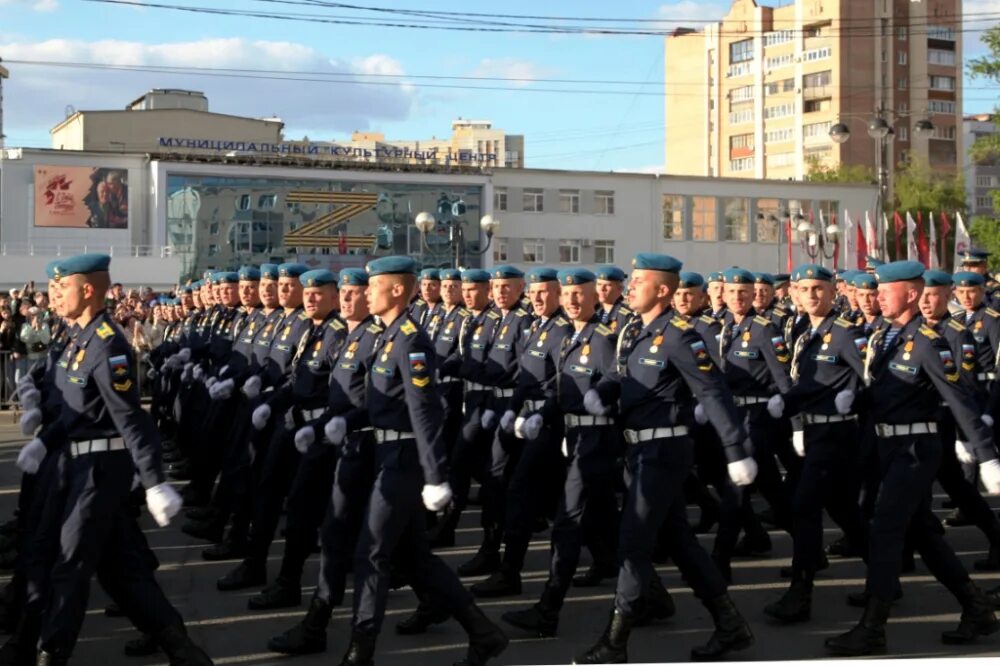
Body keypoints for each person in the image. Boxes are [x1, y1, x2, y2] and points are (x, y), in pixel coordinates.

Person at [17, 253, 212, 665]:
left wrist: (155, 480)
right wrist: (45, 437)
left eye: (62, 286)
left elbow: (131, 417)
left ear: (87, 290)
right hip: (74, 466)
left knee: (68, 569)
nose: (54, 293)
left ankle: (49, 654)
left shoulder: (108, 345)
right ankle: (184, 650)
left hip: (99, 473)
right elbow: (77, 411)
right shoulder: (77, 338)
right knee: (121, 572)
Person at [575, 253, 757, 663]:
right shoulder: (637, 330)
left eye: (638, 281)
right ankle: (730, 626)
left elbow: (712, 390)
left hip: (663, 450)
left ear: (661, 289)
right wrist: (602, 392)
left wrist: (735, 451)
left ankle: (615, 643)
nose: (630, 286)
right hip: (639, 450)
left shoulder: (679, 335)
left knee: (633, 543)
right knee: (679, 541)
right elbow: (620, 374)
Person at [326, 255, 508, 666]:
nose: (367, 292)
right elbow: (381, 404)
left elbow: (425, 410)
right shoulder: (386, 336)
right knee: (414, 557)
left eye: (374, 286)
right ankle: (484, 633)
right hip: (385, 452)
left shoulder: (410, 340)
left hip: (404, 460)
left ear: (395, 290)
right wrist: (344, 420)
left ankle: (361, 651)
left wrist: (435, 475)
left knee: (371, 553)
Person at [824, 260, 1000, 656]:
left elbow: (959, 399)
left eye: (886, 289)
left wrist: (985, 454)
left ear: (912, 293)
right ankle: (976, 608)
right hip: (889, 448)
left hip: (917, 450)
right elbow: (886, 390)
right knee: (921, 532)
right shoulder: (885, 335)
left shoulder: (928, 341)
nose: (878, 295)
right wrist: (857, 398)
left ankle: (873, 626)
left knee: (886, 529)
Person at [762, 264, 868, 623]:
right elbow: (809, 384)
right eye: (805, 289)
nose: (811, 295)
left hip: (839, 434)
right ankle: (886, 579)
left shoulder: (845, 333)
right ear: (794, 292)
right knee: (844, 511)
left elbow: (873, 377)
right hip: (816, 430)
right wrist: (789, 404)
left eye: (819, 289)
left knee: (805, 507)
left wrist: (852, 395)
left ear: (834, 292)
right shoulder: (808, 331)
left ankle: (800, 593)